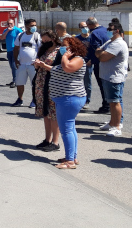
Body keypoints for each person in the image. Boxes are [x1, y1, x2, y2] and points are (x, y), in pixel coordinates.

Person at [50, 37, 88, 169]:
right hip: (64, 98)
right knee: (70, 129)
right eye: (62, 46)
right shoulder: (69, 59)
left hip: (70, 98)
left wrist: (64, 57)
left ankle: (70, 161)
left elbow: (67, 68)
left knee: (66, 130)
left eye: (65, 46)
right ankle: (72, 156)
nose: (63, 48)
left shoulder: (78, 60)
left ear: (73, 48)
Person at [95, 22, 129, 136]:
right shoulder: (110, 42)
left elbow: (103, 57)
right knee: (111, 102)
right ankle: (112, 122)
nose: (108, 31)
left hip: (114, 77)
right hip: (107, 76)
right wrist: (100, 52)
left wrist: (101, 53)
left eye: (110, 29)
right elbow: (97, 51)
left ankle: (117, 126)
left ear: (117, 31)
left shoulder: (118, 43)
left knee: (115, 102)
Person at [32, 30, 62, 152]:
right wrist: (37, 64)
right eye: (43, 41)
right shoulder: (43, 50)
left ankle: (55, 142)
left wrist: (43, 65)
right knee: (45, 112)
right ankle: (47, 139)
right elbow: (38, 64)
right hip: (41, 83)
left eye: (46, 40)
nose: (44, 43)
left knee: (53, 113)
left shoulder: (60, 51)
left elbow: (60, 69)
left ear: (53, 39)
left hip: (52, 84)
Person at [12, 19, 41, 107]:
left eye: (35, 25)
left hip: (33, 65)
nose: (34, 27)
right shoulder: (20, 36)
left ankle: (34, 100)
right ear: (27, 26)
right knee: (20, 82)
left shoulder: (37, 36)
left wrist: (38, 60)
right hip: (22, 64)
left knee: (35, 84)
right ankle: (20, 99)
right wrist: (16, 61)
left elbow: (41, 49)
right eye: (32, 25)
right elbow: (16, 48)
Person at [87, 17, 110, 114]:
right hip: (109, 61)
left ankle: (106, 105)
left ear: (90, 25)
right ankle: (108, 104)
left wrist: (91, 60)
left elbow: (95, 49)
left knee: (102, 85)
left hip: (99, 62)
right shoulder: (106, 30)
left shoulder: (94, 33)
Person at [75, 22, 93, 108]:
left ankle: (87, 100)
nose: (85, 28)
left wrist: (91, 60)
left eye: (86, 26)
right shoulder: (77, 38)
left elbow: (94, 50)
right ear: (79, 29)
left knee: (87, 83)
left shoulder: (92, 38)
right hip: (78, 63)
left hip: (88, 64)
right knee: (76, 82)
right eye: (82, 27)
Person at [2, 19, 22, 88]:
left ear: (14, 23)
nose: (9, 25)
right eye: (8, 24)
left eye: (11, 23)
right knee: (12, 66)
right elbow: (2, 38)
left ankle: (15, 81)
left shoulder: (17, 30)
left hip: (15, 50)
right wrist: (7, 30)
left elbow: (22, 38)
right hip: (9, 50)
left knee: (14, 66)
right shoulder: (6, 30)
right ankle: (14, 79)